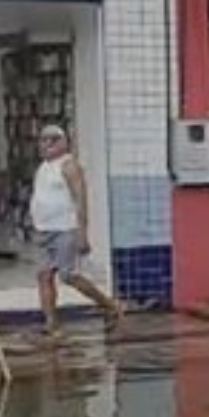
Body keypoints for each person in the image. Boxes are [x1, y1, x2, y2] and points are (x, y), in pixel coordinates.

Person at [30, 124, 124, 337]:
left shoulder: (69, 166)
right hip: (43, 229)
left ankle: (110, 305)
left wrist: (82, 232)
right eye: (43, 140)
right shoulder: (43, 167)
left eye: (53, 140)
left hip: (65, 229)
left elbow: (80, 199)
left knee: (68, 275)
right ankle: (51, 323)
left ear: (64, 142)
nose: (47, 144)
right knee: (44, 275)